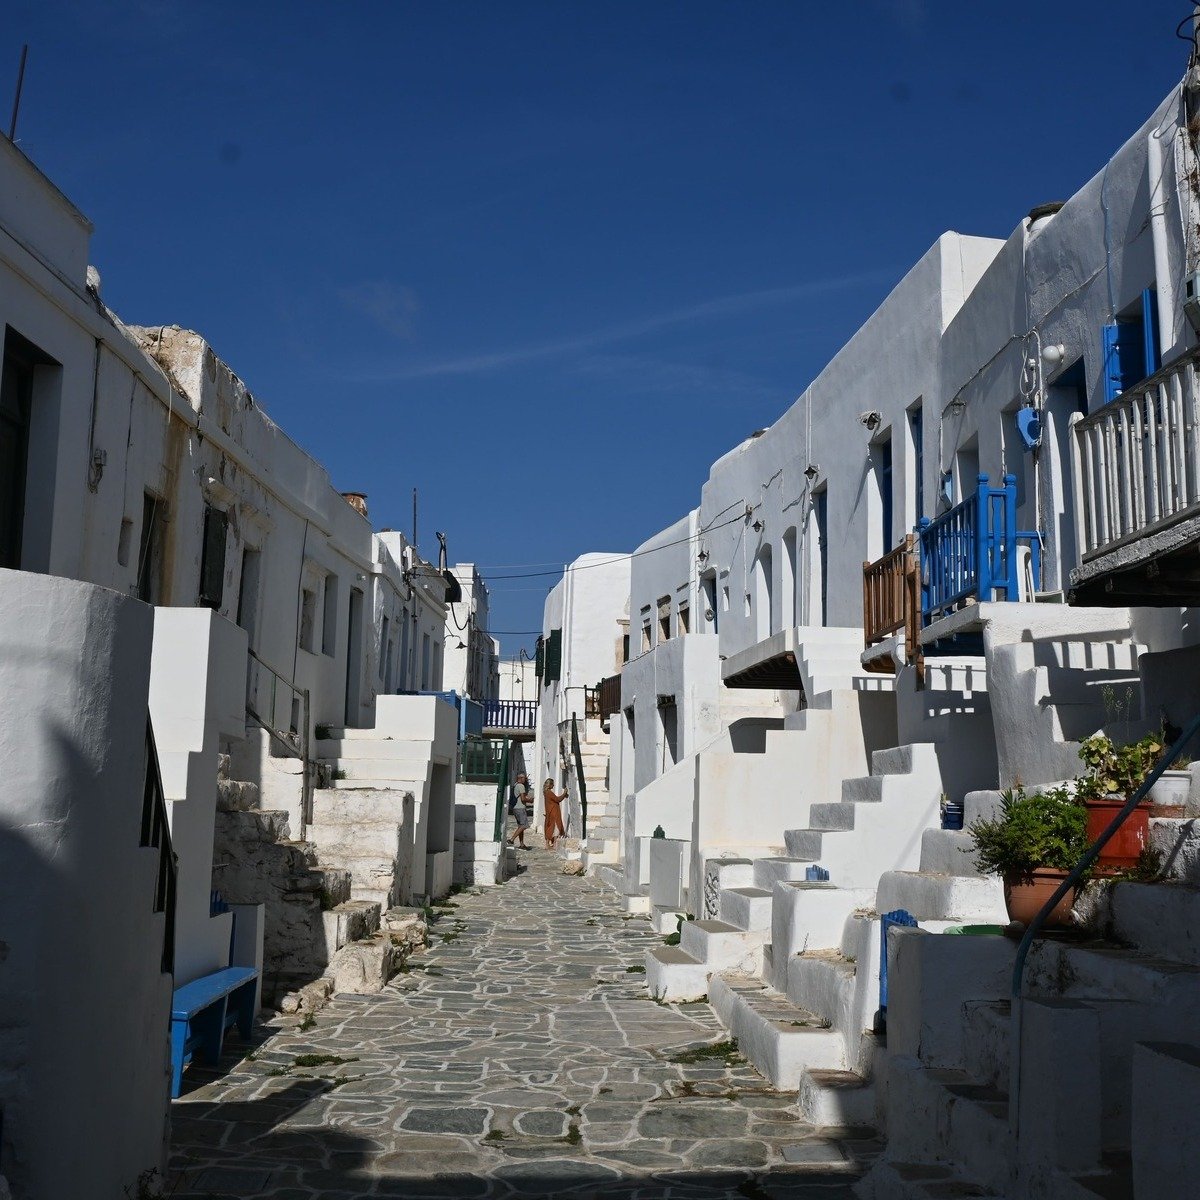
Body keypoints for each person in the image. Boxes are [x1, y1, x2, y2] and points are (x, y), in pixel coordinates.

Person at [542, 778, 568, 849]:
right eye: (552, 784)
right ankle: (554, 844)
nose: (553, 785)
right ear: (549, 785)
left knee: (550, 827)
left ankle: (549, 844)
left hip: (550, 811)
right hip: (554, 811)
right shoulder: (549, 792)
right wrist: (564, 793)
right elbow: (558, 799)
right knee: (555, 827)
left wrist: (563, 796)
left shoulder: (546, 792)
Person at [508, 773, 530, 849]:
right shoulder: (521, 786)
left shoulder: (515, 785)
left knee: (520, 826)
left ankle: (522, 844)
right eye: (524, 778)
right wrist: (530, 800)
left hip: (515, 808)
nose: (525, 779)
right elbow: (523, 799)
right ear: (520, 778)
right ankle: (512, 839)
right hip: (520, 808)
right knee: (524, 825)